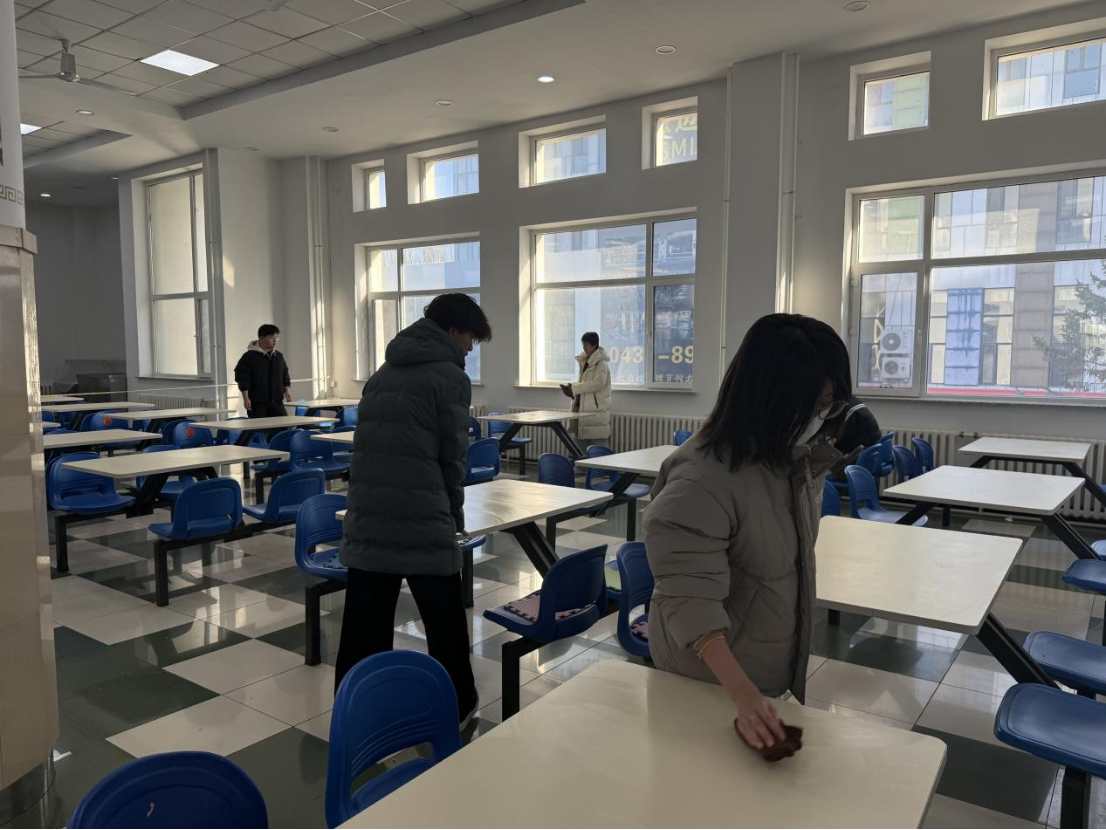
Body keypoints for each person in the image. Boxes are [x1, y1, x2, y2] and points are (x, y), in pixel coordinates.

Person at [643, 314, 852, 751]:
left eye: (829, 405)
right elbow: (690, 600)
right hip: (704, 681)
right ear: (773, 400)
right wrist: (745, 696)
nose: (822, 417)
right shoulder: (701, 481)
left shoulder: (786, 461)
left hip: (756, 668)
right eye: (816, 406)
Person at [336, 293, 492, 728]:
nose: (469, 349)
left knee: (362, 627)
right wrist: (453, 517)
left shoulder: (382, 373)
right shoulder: (450, 377)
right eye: (470, 339)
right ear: (453, 331)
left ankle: (355, 711)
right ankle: (457, 707)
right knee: (445, 625)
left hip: (368, 517)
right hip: (423, 517)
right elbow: (452, 459)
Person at [559, 331, 611, 451]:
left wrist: (575, 388)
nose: (584, 348)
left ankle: (598, 465)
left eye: (586, 345)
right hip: (582, 409)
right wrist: (571, 388)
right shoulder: (584, 362)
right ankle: (581, 464)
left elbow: (598, 384)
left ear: (594, 345)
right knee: (580, 448)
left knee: (599, 449)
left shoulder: (601, 364)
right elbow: (584, 383)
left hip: (595, 411)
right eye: (583, 344)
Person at [234, 324, 292, 417]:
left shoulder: (279, 356)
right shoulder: (249, 357)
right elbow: (242, 378)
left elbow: (285, 374)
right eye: (271, 337)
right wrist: (246, 398)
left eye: (276, 337)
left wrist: (287, 390)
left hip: (277, 402)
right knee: (260, 426)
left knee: (285, 424)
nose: (275, 340)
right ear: (261, 338)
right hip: (257, 403)